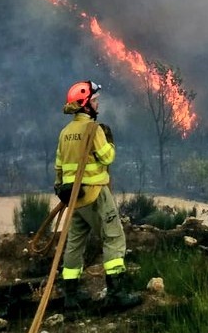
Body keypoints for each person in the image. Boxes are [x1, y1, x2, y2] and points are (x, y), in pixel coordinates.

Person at [54, 80, 142, 311]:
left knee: (74, 244)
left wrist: (60, 189)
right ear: (84, 105)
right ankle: (116, 294)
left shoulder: (65, 133)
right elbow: (107, 157)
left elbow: (59, 167)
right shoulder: (94, 129)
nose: (97, 103)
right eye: (94, 100)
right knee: (114, 237)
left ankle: (71, 297)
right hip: (95, 194)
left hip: (74, 198)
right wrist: (109, 142)